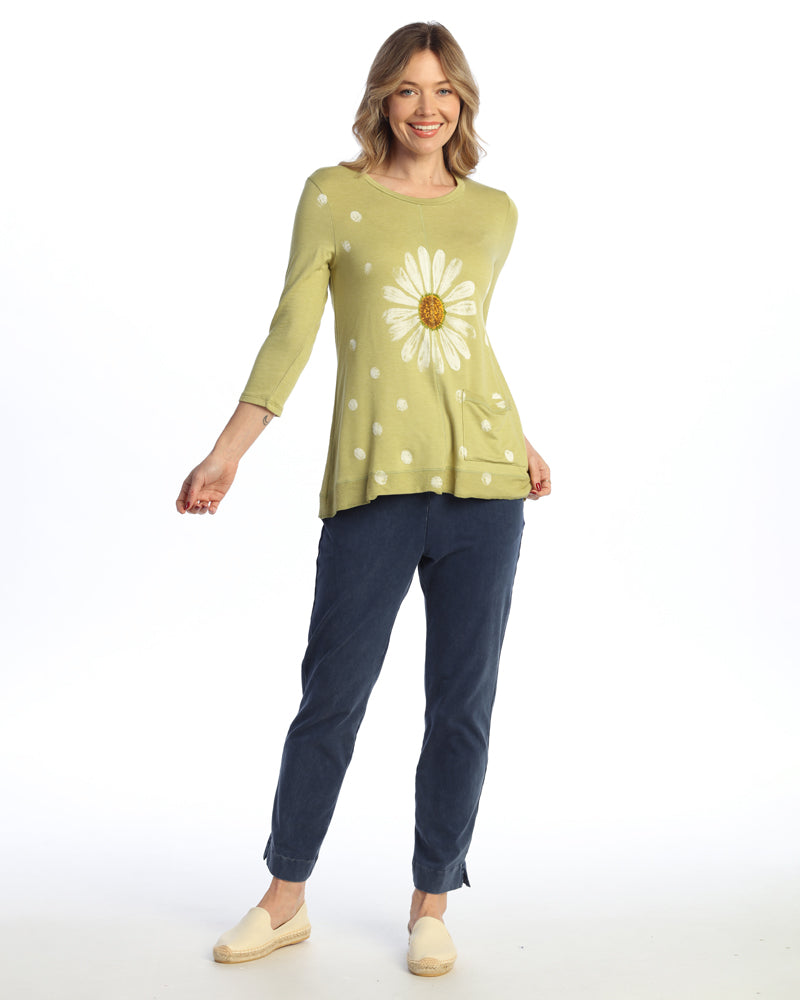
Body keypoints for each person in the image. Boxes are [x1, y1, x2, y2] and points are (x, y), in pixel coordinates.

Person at [175, 21, 551, 978]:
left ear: (463, 102)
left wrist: (519, 441)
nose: (428, 108)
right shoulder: (333, 195)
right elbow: (293, 330)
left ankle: (432, 904)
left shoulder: (494, 212)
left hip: (484, 491)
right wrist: (228, 452)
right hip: (374, 486)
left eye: (444, 90)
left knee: (461, 705)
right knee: (330, 700)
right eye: (408, 89)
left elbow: (462, 343)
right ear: (382, 98)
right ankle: (284, 899)